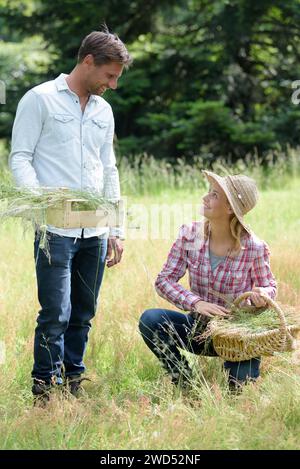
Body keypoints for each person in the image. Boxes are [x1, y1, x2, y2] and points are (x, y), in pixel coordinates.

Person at [9, 26, 132, 401]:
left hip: (94, 231)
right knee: (55, 314)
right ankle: (45, 390)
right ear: (88, 61)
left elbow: (108, 169)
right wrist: (41, 200)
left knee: (83, 313)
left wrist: (116, 228)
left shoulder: (104, 111)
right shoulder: (40, 99)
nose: (112, 84)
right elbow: (20, 157)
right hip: (55, 228)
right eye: (109, 76)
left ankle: (73, 382)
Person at [139, 170, 277, 391]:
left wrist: (262, 295)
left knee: (239, 390)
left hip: (238, 336)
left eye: (214, 195)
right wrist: (195, 303)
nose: (205, 198)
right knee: (150, 319)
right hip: (199, 329)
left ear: (230, 208)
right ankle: (184, 382)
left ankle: (235, 374)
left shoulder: (254, 247)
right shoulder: (190, 235)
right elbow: (164, 281)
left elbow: (269, 286)